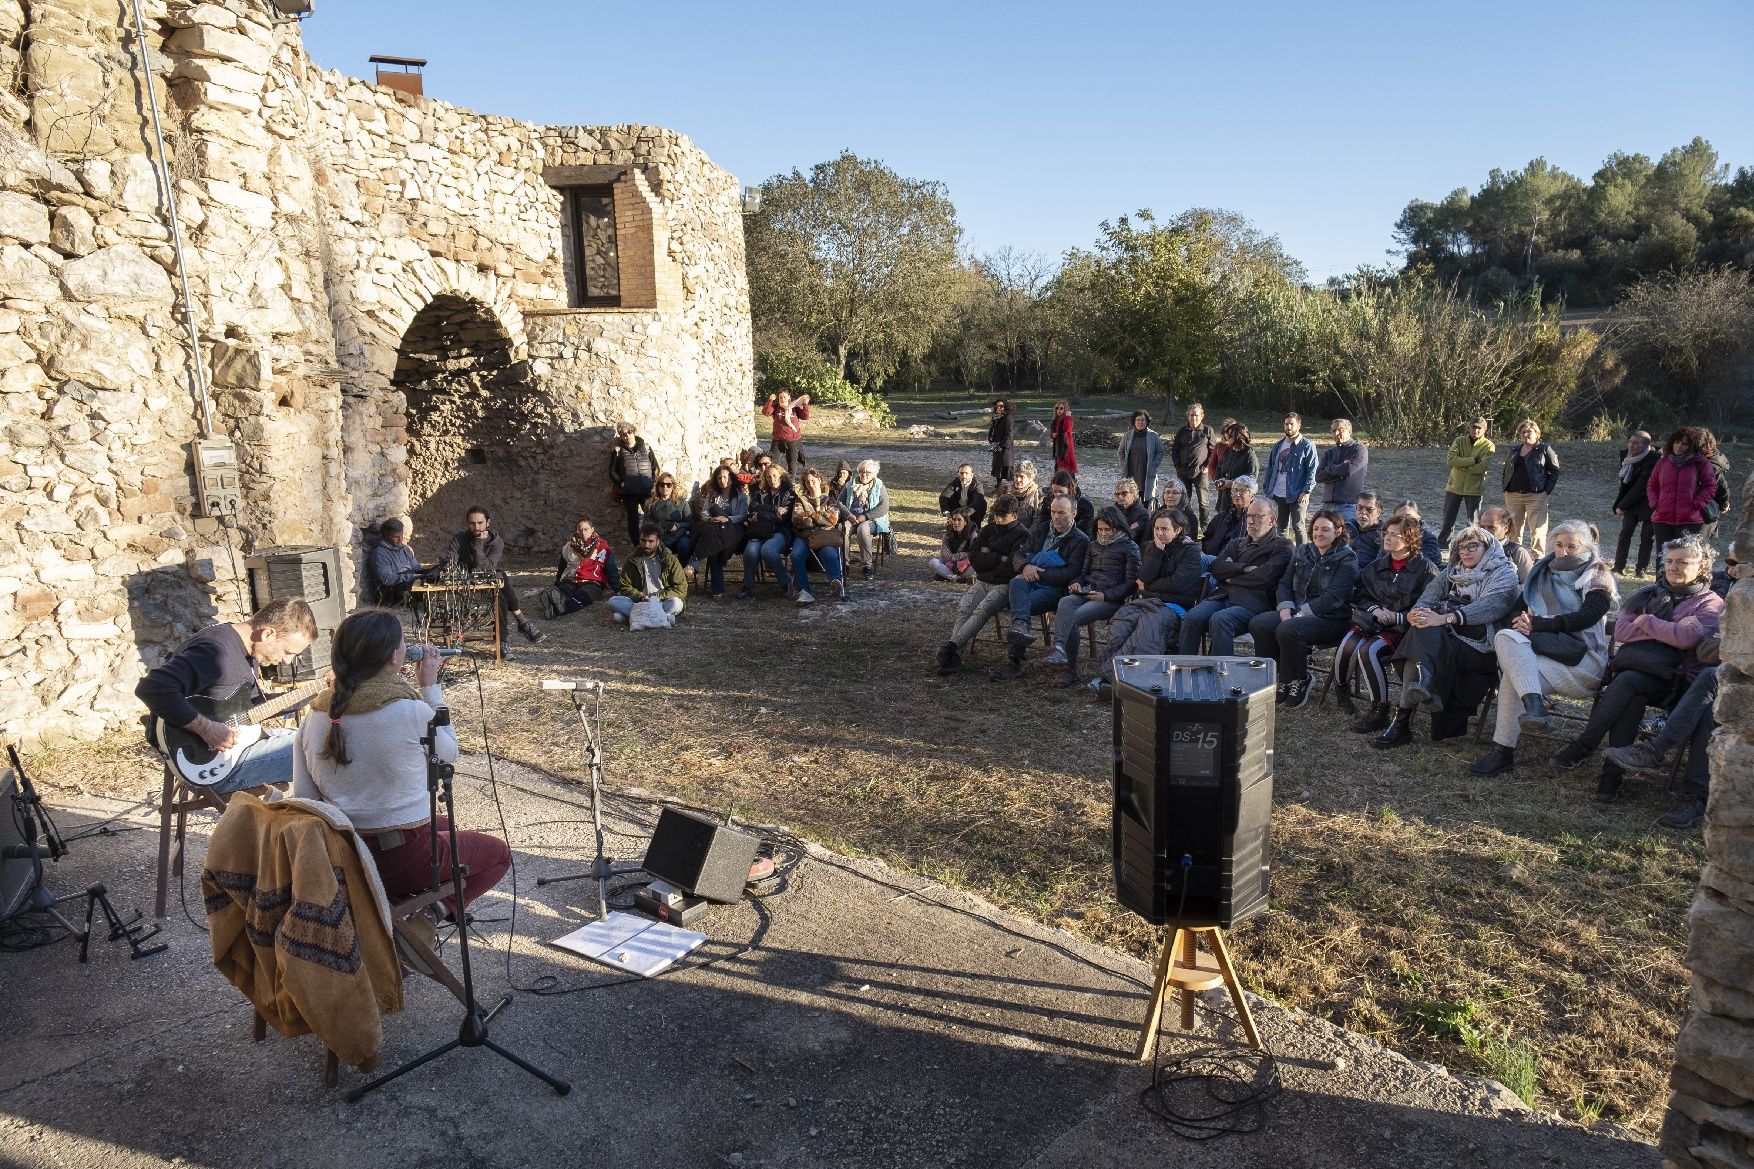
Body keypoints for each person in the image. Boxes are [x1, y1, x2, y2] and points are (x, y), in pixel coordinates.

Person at [290, 608, 508, 929]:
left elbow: (306, 800)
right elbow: (449, 754)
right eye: (404, 642)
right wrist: (430, 686)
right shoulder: (409, 710)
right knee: (499, 855)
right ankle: (432, 915)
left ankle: (418, 918)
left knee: (446, 823)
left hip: (346, 856)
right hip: (400, 862)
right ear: (395, 657)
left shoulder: (314, 716)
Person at [1552, 536, 1724, 802]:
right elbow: (1621, 630)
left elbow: (1687, 639)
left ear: (1701, 567)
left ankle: (1586, 746)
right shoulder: (1648, 593)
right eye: (1669, 561)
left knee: (1629, 684)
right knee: (1631, 689)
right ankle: (1610, 781)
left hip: (1680, 685)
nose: (1673, 567)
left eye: (1682, 562)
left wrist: (1647, 621)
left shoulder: (1709, 602)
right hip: (1642, 674)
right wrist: (1669, 629)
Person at [1468, 520, 1618, 776]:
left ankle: (1503, 751)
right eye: (1559, 545)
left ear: (1587, 547)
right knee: (1506, 637)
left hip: (1583, 662)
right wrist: (1522, 620)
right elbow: (1517, 607)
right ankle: (1534, 708)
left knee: (1515, 674)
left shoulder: (1597, 574)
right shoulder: (1542, 571)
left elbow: (1588, 616)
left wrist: (1540, 625)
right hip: (1542, 656)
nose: (1564, 551)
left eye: (1572, 546)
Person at [1605, 556, 1743, 827]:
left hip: (1729, 683)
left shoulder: (1715, 599)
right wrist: (1675, 630)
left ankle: (1658, 752)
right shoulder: (1736, 596)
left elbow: (1694, 640)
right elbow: (1705, 650)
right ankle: (1693, 797)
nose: (1732, 567)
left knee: (1710, 681)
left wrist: (1658, 626)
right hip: (1729, 682)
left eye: (1738, 561)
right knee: (1704, 698)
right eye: (1730, 560)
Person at [136, 597, 318, 794]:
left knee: (319, 738)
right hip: (213, 767)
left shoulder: (246, 650)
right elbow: (153, 688)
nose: (286, 661)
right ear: (267, 634)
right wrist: (206, 729)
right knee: (322, 751)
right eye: (287, 651)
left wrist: (319, 688)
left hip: (241, 745)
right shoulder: (216, 652)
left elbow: (254, 707)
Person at [1373, 526, 1520, 749]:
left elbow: (1491, 608)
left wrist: (1445, 618)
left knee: (1423, 635)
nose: (1466, 552)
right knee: (1421, 627)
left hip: (1481, 647)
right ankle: (1421, 689)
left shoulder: (1503, 573)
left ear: (1488, 548)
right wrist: (1417, 613)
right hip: (1443, 639)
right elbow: (1428, 596)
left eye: (1473, 546)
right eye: (1462, 548)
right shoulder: (1453, 570)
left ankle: (1403, 719)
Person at [1335, 515, 1437, 733]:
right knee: (1346, 644)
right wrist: (1375, 610)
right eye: (1386, 533)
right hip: (1372, 622)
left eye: (1394, 534)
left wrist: (1398, 617)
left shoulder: (1425, 569)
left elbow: (1432, 606)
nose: (1387, 538)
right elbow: (1361, 594)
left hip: (1404, 631)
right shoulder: (1376, 566)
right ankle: (1341, 692)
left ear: (1409, 539)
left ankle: (1380, 709)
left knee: (1369, 650)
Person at [1249, 508, 1358, 708]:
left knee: (1289, 628)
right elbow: (1284, 584)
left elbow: (1335, 597)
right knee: (1260, 623)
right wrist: (1284, 610)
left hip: (1331, 619)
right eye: (1316, 528)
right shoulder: (1302, 551)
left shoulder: (1346, 558)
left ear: (1338, 531)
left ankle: (1299, 679)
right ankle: (1277, 677)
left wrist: (1298, 615)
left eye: (1325, 529)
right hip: (1294, 613)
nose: (1319, 533)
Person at [1090, 507, 1204, 695]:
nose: (1159, 533)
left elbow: (1179, 583)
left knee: (1148, 626)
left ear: (1177, 530)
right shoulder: (1153, 547)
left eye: (1164, 529)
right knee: (1123, 619)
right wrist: (1158, 554)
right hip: (1149, 602)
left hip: (1175, 606)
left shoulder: (1190, 551)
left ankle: (1132, 679)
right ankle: (1114, 675)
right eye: (1156, 528)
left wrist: (1151, 588)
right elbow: (1143, 576)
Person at [992, 495, 1090, 681]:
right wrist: (1024, 567)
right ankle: (1021, 626)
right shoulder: (1042, 529)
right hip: (1030, 582)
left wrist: (1037, 573)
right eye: (1053, 512)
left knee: (1023, 606)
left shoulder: (1080, 540)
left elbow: (1070, 573)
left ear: (1074, 513)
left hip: (1055, 589)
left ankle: (1014, 659)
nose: (1056, 517)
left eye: (1062, 512)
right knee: (1016, 582)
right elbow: (1020, 554)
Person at [1178, 498, 1292, 655]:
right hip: (1225, 597)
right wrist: (1244, 568)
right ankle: (1184, 667)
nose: (1251, 521)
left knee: (1221, 620)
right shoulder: (1236, 544)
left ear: (1272, 520)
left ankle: (1221, 673)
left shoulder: (1283, 546)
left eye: (1258, 517)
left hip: (1255, 603)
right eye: (1249, 516)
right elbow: (1217, 568)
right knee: (1192, 617)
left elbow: (1266, 576)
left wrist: (1232, 577)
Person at [1042, 505, 1140, 688]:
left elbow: (1130, 583)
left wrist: (1105, 595)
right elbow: (1083, 572)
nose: (1103, 533)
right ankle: (1060, 650)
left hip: (1111, 599)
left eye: (1107, 529)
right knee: (1065, 602)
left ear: (1117, 527)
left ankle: (1068, 667)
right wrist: (1077, 582)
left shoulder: (1129, 548)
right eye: (1100, 529)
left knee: (1074, 617)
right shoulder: (1093, 545)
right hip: (1088, 591)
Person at [937, 495, 1028, 675]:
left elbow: (1011, 566)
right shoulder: (989, 529)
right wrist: (997, 557)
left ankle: (951, 647)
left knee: (982, 610)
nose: (998, 520)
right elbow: (974, 557)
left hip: (1004, 584)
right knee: (965, 608)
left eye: (1003, 516)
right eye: (996, 515)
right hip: (983, 579)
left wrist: (989, 555)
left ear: (1015, 516)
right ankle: (954, 655)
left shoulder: (1022, 535)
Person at [440, 507, 545, 644]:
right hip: (464, 585)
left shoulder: (496, 542)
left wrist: (478, 544)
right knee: (501, 578)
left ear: (487, 523)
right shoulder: (460, 539)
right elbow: (451, 561)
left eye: (480, 523)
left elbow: (486, 569)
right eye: (472, 523)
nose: (476, 527)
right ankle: (521, 621)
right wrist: (450, 565)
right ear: (467, 523)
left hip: (487, 583)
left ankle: (503, 642)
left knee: (500, 594)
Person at [1646, 426, 1718, 547]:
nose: (1679, 446)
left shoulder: (1701, 463)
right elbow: (1652, 485)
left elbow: (1710, 486)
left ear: (1691, 446)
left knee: (1685, 559)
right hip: (1662, 518)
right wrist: (1655, 503)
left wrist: (1696, 504)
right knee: (1663, 558)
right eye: (1677, 442)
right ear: (1672, 443)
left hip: (1689, 519)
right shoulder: (1663, 462)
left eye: (1684, 444)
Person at [1500, 418, 1561, 556]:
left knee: (1537, 528)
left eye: (1529, 432)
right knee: (1513, 528)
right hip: (1513, 495)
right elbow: (1506, 470)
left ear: (1537, 434)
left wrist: (1546, 491)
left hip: (1536, 495)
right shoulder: (1514, 450)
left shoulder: (1544, 449)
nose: (1526, 435)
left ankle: (1538, 556)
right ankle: (1514, 555)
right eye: (1523, 432)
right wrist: (1505, 488)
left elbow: (1555, 471)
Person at [791, 465, 849, 604]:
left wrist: (810, 515)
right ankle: (804, 591)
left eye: (813, 480)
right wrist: (821, 517)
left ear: (820, 481)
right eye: (807, 482)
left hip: (825, 535)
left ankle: (836, 583)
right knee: (796, 555)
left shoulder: (830, 500)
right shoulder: (800, 500)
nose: (810, 484)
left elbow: (833, 519)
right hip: (805, 536)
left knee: (828, 552)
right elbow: (797, 519)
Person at [610, 522, 688, 624]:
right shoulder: (632, 559)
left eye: (651, 541)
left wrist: (658, 596)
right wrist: (640, 596)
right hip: (640, 602)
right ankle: (663, 618)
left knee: (676, 603)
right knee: (613, 601)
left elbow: (681, 587)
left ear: (658, 541)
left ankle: (633, 617)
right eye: (643, 540)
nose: (646, 545)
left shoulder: (670, 560)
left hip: (662, 601)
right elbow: (624, 586)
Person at [740, 463, 797, 600]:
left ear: (781, 476)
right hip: (759, 530)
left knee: (768, 551)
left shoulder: (789, 494)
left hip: (780, 531)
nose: (772, 479)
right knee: (750, 551)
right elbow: (752, 508)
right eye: (768, 476)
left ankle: (785, 582)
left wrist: (760, 514)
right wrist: (773, 510)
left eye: (774, 476)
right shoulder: (761, 493)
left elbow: (782, 518)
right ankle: (747, 585)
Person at [692, 464, 748, 598]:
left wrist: (727, 519)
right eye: (719, 478)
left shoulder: (741, 496)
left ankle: (695, 561)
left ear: (731, 479)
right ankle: (718, 590)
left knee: (714, 544)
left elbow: (743, 515)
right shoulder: (713, 496)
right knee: (714, 544)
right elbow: (704, 513)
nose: (722, 480)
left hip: (734, 530)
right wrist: (712, 519)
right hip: (716, 530)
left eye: (725, 477)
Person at [1263, 412, 1319, 544]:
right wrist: (1267, 488)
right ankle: (1282, 554)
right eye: (1286, 424)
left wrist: (1306, 491)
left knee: (1298, 527)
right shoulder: (1278, 445)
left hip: (1298, 493)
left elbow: (1312, 470)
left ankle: (1302, 557)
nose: (1289, 427)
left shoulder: (1307, 445)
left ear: (1299, 425)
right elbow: (1270, 469)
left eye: (1292, 424)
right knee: (1280, 527)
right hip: (1277, 493)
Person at [1611, 430, 1660, 578]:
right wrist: (1619, 504)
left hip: (1650, 502)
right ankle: (1618, 566)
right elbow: (1625, 484)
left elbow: (1641, 486)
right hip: (1631, 503)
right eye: (1630, 442)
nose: (1631, 445)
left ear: (1645, 445)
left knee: (1646, 537)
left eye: (1636, 443)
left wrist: (1622, 505)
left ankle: (1641, 569)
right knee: (1625, 534)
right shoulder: (1627, 457)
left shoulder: (1654, 459)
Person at [1439, 417, 1494, 546]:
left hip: (1474, 488)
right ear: (1468, 428)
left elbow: (1482, 468)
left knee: (1473, 522)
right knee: (1448, 520)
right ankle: (1442, 545)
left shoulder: (1488, 445)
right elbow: (1451, 460)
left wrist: (1461, 463)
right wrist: (1473, 460)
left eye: (1479, 428)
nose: (1476, 430)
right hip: (1454, 486)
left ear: (1485, 429)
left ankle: (1472, 544)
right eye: (1473, 427)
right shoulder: (1459, 441)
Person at [548, 516, 618, 616]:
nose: (583, 533)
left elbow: (611, 569)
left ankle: (558, 608)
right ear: (577, 531)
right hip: (572, 579)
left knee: (582, 596)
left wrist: (618, 589)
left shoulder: (602, 547)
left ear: (592, 529)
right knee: (565, 590)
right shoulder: (570, 546)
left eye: (586, 529)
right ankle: (556, 602)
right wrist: (558, 580)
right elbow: (562, 565)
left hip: (592, 582)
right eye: (580, 530)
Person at [608, 422, 659, 545]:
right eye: (623, 434)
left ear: (633, 431)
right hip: (629, 493)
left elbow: (655, 467)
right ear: (620, 436)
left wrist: (652, 482)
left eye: (629, 432)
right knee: (633, 521)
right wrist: (621, 483)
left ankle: (653, 545)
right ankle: (638, 547)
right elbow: (612, 471)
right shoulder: (618, 450)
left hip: (646, 491)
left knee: (652, 519)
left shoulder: (646, 447)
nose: (627, 436)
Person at [842, 459, 891, 581]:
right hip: (852, 517)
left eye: (868, 472)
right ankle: (845, 564)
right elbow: (839, 502)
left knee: (863, 529)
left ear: (874, 474)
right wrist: (848, 515)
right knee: (842, 529)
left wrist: (866, 516)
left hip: (873, 519)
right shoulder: (850, 485)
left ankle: (867, 566)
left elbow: (884, 507)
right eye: (862, 471)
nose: (864, 474)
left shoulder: (879, 486)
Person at [1314, 419, 1368, 524]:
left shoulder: (1359, 450)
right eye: (1334, 431)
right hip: (1327, 506)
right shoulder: (1329, 453)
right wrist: (1340, 471)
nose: (1337, 433)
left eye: (1340, 430)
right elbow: (1318, 477)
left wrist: (1329, 469)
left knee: (1347, 539)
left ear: (1349, 431)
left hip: (1348, 506)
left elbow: (1349, 469)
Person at [1169, 403, 1215, 527]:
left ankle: (1204, 525)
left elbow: (1213, 451)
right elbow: (1175, 450)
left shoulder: (1208, 430)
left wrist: (1206, 466)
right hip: (1183, 472)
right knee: (1183, 499)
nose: (1194, 417)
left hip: (1201, 472)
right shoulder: (1182, 431)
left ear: (1202, 416)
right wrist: (1177, 466)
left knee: (1203, 500)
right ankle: (1184, 524)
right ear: (1187, 416)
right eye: (1191, 415)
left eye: (1196, 415)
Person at [368, 517, 429, 607]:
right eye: (395, 537)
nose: (400, 539)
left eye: (401, 535)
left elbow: (415, 568)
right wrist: (411, 577)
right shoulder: (379, 554)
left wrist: (427, 572)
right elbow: (386, 579)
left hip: (408, 584)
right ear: (385, 536)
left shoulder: (405, 549)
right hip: (392, 592)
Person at [1210, 421, 1259, 522]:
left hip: (1240, 498)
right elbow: (1219, 468)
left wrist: (1232, 483)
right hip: (1224, 498)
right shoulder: (1228, 451)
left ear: (1238, 437)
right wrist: (1218, 481)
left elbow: (1252, 478)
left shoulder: (1249, 453)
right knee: (1222, 524)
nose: (1228, 438)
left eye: (1231, 436)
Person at [644, 473, 694, 565]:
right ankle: (661, 574)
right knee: (656, 547)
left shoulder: (681, 502)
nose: (665, 487)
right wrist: (659, 528)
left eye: (668, 485)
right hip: (660, 536)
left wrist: (678, 525)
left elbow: (690, 523)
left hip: (679, 535)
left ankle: (681, 573)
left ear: (673, 486)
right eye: (662, 484)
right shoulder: (651, 503)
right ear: (658, 486)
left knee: (685, 545)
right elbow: (646, 524)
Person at [761, 385, 810, 478]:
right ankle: (775, 480)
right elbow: (766, 413)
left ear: (789, 397)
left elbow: (805, 416)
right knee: (774, 463)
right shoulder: (776, 407)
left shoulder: (795, 407)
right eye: (780, 397)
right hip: (778, 439)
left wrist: (805, 404)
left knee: (792, 463)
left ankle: (791, 484)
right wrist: (770, 400)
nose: (782, 399)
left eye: (784, 397)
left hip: (793, 440)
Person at [1119, 409, 1167, 501]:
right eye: (1138, 420)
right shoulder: (1127, 435)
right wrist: (1123, 465)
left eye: (1142, 420)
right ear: (1134, 421)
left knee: (1146, 501)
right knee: (1129, 499)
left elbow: (1160, 451)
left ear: (1147, 421)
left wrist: (1153, 465)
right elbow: (1120, 452)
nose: (1140, 422)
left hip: (1146, 473)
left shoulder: (1153, 436)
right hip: (1131, 473)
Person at [1479, 504, 1535, 582]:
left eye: (1491, 527)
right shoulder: (1469, 549)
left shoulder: (1517, 552)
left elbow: (1528, 585)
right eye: (1482, 527)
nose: (1485, 531)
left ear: (1505, 528)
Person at [1202, 476, 1256, 556]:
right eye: (1235, 490)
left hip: (1240, 562)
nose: (1237, 494)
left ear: (1252, 496)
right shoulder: (1222, 516)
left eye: (1242, 491)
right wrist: (1210, 549)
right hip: (1215, 559)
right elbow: (1206, 538)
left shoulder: (1256, 519)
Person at [1699, 428, 1732, 543]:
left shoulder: (1710, 465)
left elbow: (1721, 487)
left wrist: (1724, 504)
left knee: (1696, 549)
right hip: (1699, 510)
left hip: (1703, 511)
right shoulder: (1712, 458)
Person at [928, 508, 978, 583]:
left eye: (959, 520)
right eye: (954, 520)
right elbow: (945, 556)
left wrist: (961, 557)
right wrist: (962, 555)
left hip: (965, 565)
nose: (956, 522)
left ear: (965, 522)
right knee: (933, 562)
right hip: (949, 563)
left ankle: (945, 575)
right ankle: (957, 579)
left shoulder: (972, 534)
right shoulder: (948, 535)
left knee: (976, 562)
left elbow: (974, 553)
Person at [1389, 500, 1442, 565]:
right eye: (1399, 518)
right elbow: (1380, 560)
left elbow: (1423, 563)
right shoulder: (1389, 535)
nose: (1404, 521)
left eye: (1408, 517)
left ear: (1418, 518)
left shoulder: (1428, 538)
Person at [999, 459, 1045, 532]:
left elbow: (1037, 521)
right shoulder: (1006, 491)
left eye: (1022, 476)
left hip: (1026, 534)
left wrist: (1025, 536)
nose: (1018, 480)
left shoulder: (1038, 495)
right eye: (1016, 476)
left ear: (1030, 478)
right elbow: (996, 513)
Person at [1048, 469, 1096, 537]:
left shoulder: (1085, 507)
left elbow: (1084, 531)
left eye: (1061, 491)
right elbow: (1042, 523)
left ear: (1069, 489)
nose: (1057, 495)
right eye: (1055, 491)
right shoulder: (1049, 502)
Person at [1347, 492, 1383, 565]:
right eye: (1360, 508)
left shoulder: (1383, 534)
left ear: (1379, 512)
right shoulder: (1347, 526)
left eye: (1369, 510)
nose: (1363, 512)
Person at [1113, 478, 1151, 544]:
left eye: (1124, 493)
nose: (1120, 497)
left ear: (1134, 494)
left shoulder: (1143, 514)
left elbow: (1132, 535)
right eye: (1117, 494)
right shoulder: (1113, 511)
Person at [988, 399, 1014, 491]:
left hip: (1004, 447)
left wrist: (1002, 446)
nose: (999, 408)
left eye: (1001, 406)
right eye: (997, 406)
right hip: (996, 444)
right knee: (997, 466)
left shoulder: (1008, 417)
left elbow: (1009, 434)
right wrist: (990, 439)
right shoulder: (997, 417)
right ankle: (998, 486)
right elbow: (992, 430)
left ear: (1005, 407)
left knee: (1006, 466)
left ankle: (1010, 488)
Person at [1049, 400, 1077, 476]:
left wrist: (1068, 417)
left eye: (1061, 408)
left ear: (1065, 409)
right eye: (1057, 408)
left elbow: (1068, 430)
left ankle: (1071, 485)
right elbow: (1051, 432)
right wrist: (1053, 435)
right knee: (1058, 465)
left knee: (1067, 467)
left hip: (1066, 446)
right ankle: (1057, 482)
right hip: (1058, 445)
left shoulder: (1068, 419)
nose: (1058, 410)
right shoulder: (1055, 420)